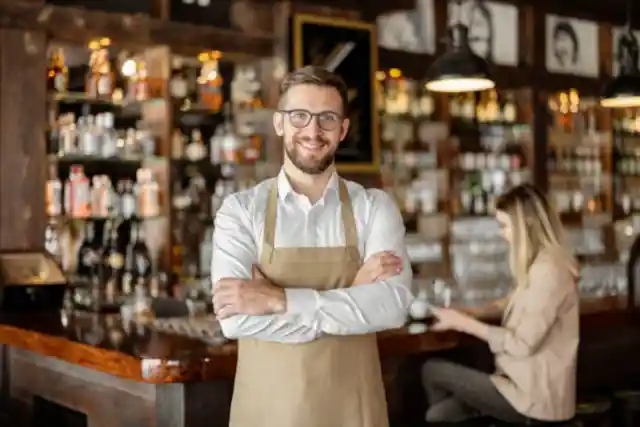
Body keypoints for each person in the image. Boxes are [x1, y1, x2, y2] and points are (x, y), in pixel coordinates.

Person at [211, 65, 414, 427]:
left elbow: (393, 307)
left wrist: (279, 300)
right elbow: (236, 320)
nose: (313, 131)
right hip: (268, 414)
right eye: (300, 116)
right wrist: (353, 293)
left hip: (355, 413)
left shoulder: (374, 207)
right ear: (279, 123)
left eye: (327, 118)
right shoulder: (241, 211)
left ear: (343, 129)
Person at [422, 184, 579, 424]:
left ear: (526, 224)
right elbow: (518, 300)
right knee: (439, 415)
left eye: (505, 226)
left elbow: (521, 345)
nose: (502, 233)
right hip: (516, 386)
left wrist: (463, 323)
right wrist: (475, 311)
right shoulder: (542, 265)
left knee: (432, 370)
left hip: (534, 401)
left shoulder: (550, 272)